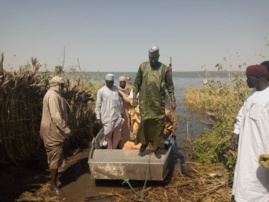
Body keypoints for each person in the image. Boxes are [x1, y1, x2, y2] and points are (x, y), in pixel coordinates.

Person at [231, 65, 269, 201]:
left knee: (259, 181)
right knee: (244, 173)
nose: (246, 81)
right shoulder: (252, 93)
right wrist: (236, 131)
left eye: (248, 78)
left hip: (262, 149)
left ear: (258, 77)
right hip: (247, 146)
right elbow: (243, 113)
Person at [133, 46, 177, 158]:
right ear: (149, 57)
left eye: (155, 58)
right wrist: (134, 97)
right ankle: (143, 144)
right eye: (151, 58)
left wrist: (173, 100)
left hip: (159, 102)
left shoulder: (163, 69)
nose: (153, 60)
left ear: (158, 57)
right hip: (145, 102)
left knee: (158, 125)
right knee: (145, 122)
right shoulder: (143, 67)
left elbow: (170, 85)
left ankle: (156, 148)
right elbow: (137, 83)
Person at [40, 76, 72, 195]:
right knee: (54, 156)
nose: (64, 88)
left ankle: (55, 180)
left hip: (52, 131)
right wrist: (67, 130)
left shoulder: (52, 94)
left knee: (56, 155)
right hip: (52, 132)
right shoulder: (53, 95)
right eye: (62, 86)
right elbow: (56, 117)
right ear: (58, 85)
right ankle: (53, 186)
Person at [95, 74, 124, 149]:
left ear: (113, 81)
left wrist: (121, 113)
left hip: (117, 116)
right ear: (105, 81)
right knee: (108, 134)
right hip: (107, 116)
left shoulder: (116, 89)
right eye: (109, 82)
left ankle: (113, 148)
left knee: (118, 133)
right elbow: (98, 105)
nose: (110, 83)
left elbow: (120, 102)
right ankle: (109, 149)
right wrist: (98, 117)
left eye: (112, 82)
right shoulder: (101, 91)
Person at [118, 76, 131, 148]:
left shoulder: (127, 89)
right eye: (121, 82)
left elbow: (129, 99)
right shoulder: (116, 90)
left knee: (127, 127)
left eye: (124, 82)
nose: (122, 83)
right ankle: (119, 145)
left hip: (126, 111)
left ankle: (126, 144)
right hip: (119, 111)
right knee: (119, 128)